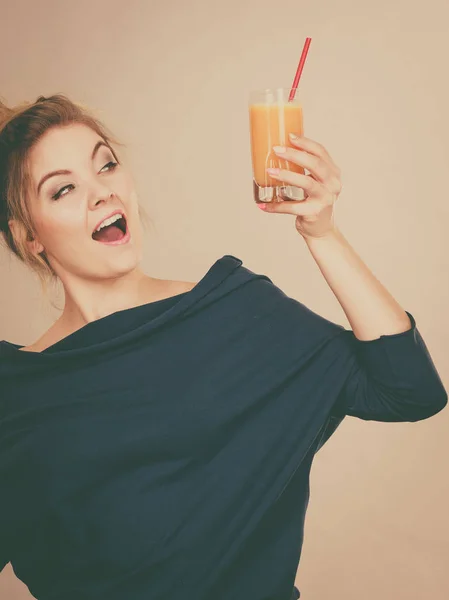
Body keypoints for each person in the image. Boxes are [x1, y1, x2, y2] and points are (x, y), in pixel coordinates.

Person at [0, 94, 446, 600]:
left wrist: (321, 232)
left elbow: (410, 390)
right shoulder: (15, 390)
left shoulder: (234, 308)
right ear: (28, 236)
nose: (102, 193)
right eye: (63, 190)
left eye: (107, 164)